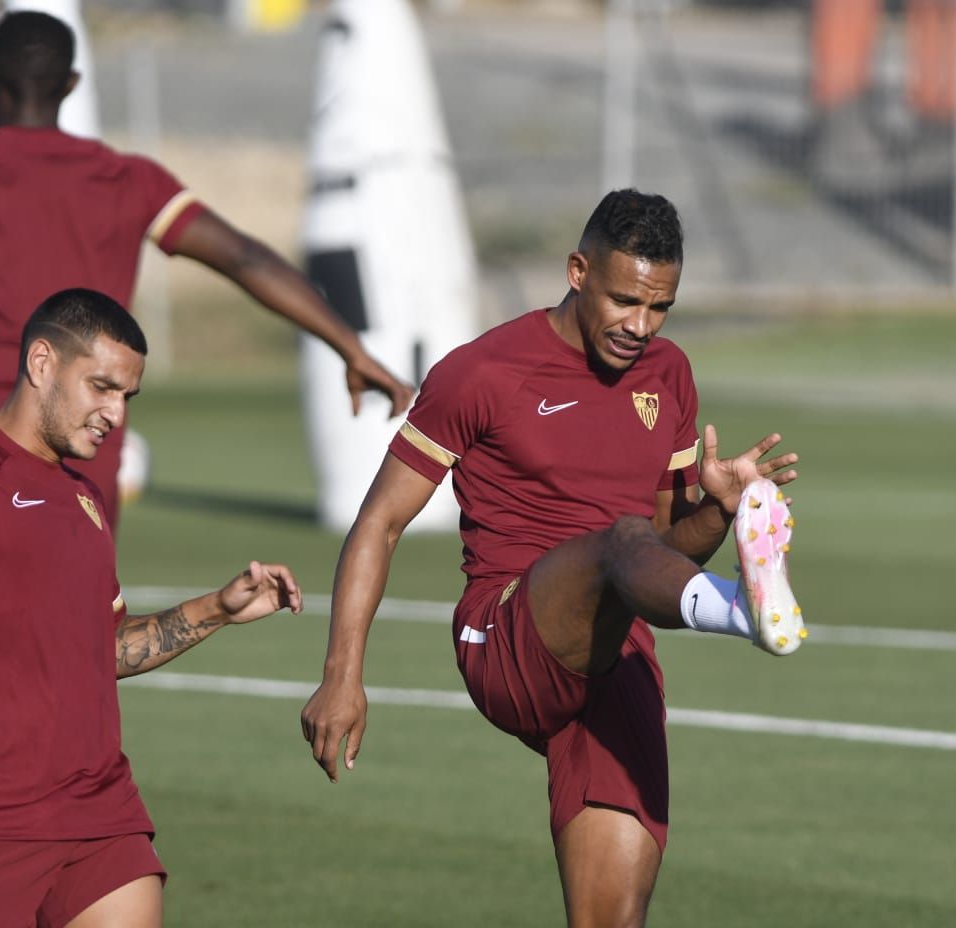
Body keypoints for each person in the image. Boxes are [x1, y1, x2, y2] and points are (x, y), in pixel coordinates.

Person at [300, 190, 807, 926]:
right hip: (505, 633)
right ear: (578, 270)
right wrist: (341, 678)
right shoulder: (481, 372)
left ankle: (742, 605)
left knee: (612, 920)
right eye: (624, 300)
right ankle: (742, 610)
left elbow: (665, 552)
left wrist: (719, 509)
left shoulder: (668, 376)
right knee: (616, 541)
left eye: (660, 307)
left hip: (615, 648)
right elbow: (378, 525)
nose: (640, 326)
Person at [0, 9, 413, 526]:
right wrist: (347, 345)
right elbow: (245, 257)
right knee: (71, 646)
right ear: (71, 84)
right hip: (85, 458)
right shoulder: (131, 180)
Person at [0, 288, 303, 926]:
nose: (115, 414)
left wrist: (216, 608)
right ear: (42, 363)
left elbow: (104, 650)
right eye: (101, 387)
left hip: (104, 817)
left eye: (126, 397)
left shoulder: (86, 500)